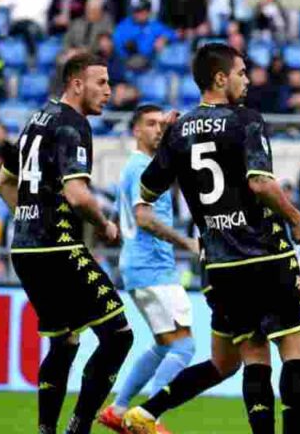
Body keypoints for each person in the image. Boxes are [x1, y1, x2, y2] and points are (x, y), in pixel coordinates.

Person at [121, 43, 300, 434]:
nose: (246, 80)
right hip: (265, 254)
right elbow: (260, 183)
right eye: (242, 73)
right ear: (220, 78)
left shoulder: (179, 131)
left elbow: (146, 191)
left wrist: (169, 142)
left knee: (253, 355)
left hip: (220, 263)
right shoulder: (245, 119)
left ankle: (150, 411)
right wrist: (296, 219)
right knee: (298, 348)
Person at [0, 53, 133, 434]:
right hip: (57, 248)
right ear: (76, 84)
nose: (109, 91)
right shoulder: (73, 125)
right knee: (119, 335)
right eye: (101, 83)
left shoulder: (35, 121)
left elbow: (2, 183)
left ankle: (46, 430)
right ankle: (80, 426)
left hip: (25, 249)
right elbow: (77, 194)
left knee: (65, 342)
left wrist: (28, 217)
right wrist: (105, 225)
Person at [98, 104, 200, 431]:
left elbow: (115, 218)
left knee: (163, 344)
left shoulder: (136, 167)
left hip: (139, 268)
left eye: (160, 124)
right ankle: (150, 419)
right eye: (150, 124)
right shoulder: (142, 167)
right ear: (136, 131)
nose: (157, 129)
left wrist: (112, 227)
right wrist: (187, 243)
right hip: (152, 268)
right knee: (184, 346)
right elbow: (142, 218)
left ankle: (118, 408)